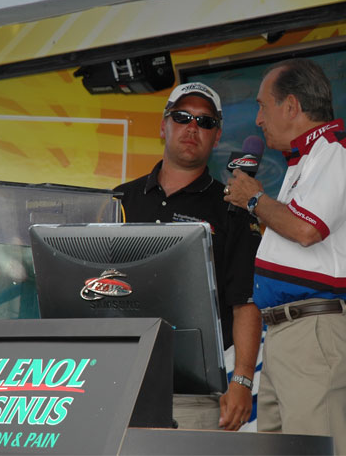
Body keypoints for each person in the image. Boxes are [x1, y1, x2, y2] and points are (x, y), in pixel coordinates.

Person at [224, 58, 346, 455]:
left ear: (291, 105)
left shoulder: (340, 152)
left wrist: (255, 199)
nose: (258, 119)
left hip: (316, 329)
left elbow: (307, 230)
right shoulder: (305, 160)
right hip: (288, 332)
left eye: (263, 106)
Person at [114, 82, 262, 431]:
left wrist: (242, 381)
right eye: (182, 116)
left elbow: (246, 301)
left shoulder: (233, 209)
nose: (192, 127)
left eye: (205, 121)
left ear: (217, 136)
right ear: (163, 125)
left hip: (195, 394)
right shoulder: (120, 199)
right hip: (120, 382)